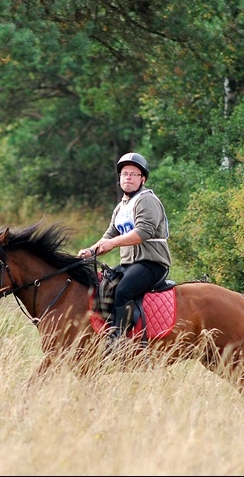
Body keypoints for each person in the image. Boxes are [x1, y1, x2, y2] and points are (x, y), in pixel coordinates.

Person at [78, 152, 171, 356]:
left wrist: (112, 243)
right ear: (119, 179)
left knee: (123, 291)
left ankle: (118, 342)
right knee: (103, 286)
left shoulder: (147, 201)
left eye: (134, 174)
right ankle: (108, 331)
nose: (128, 177)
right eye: (124, 174)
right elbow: (110, 234)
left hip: (151, 264)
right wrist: (91, 250)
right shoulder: (122, 206)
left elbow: (143, 232)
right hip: (130, 264)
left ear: (142, 179)